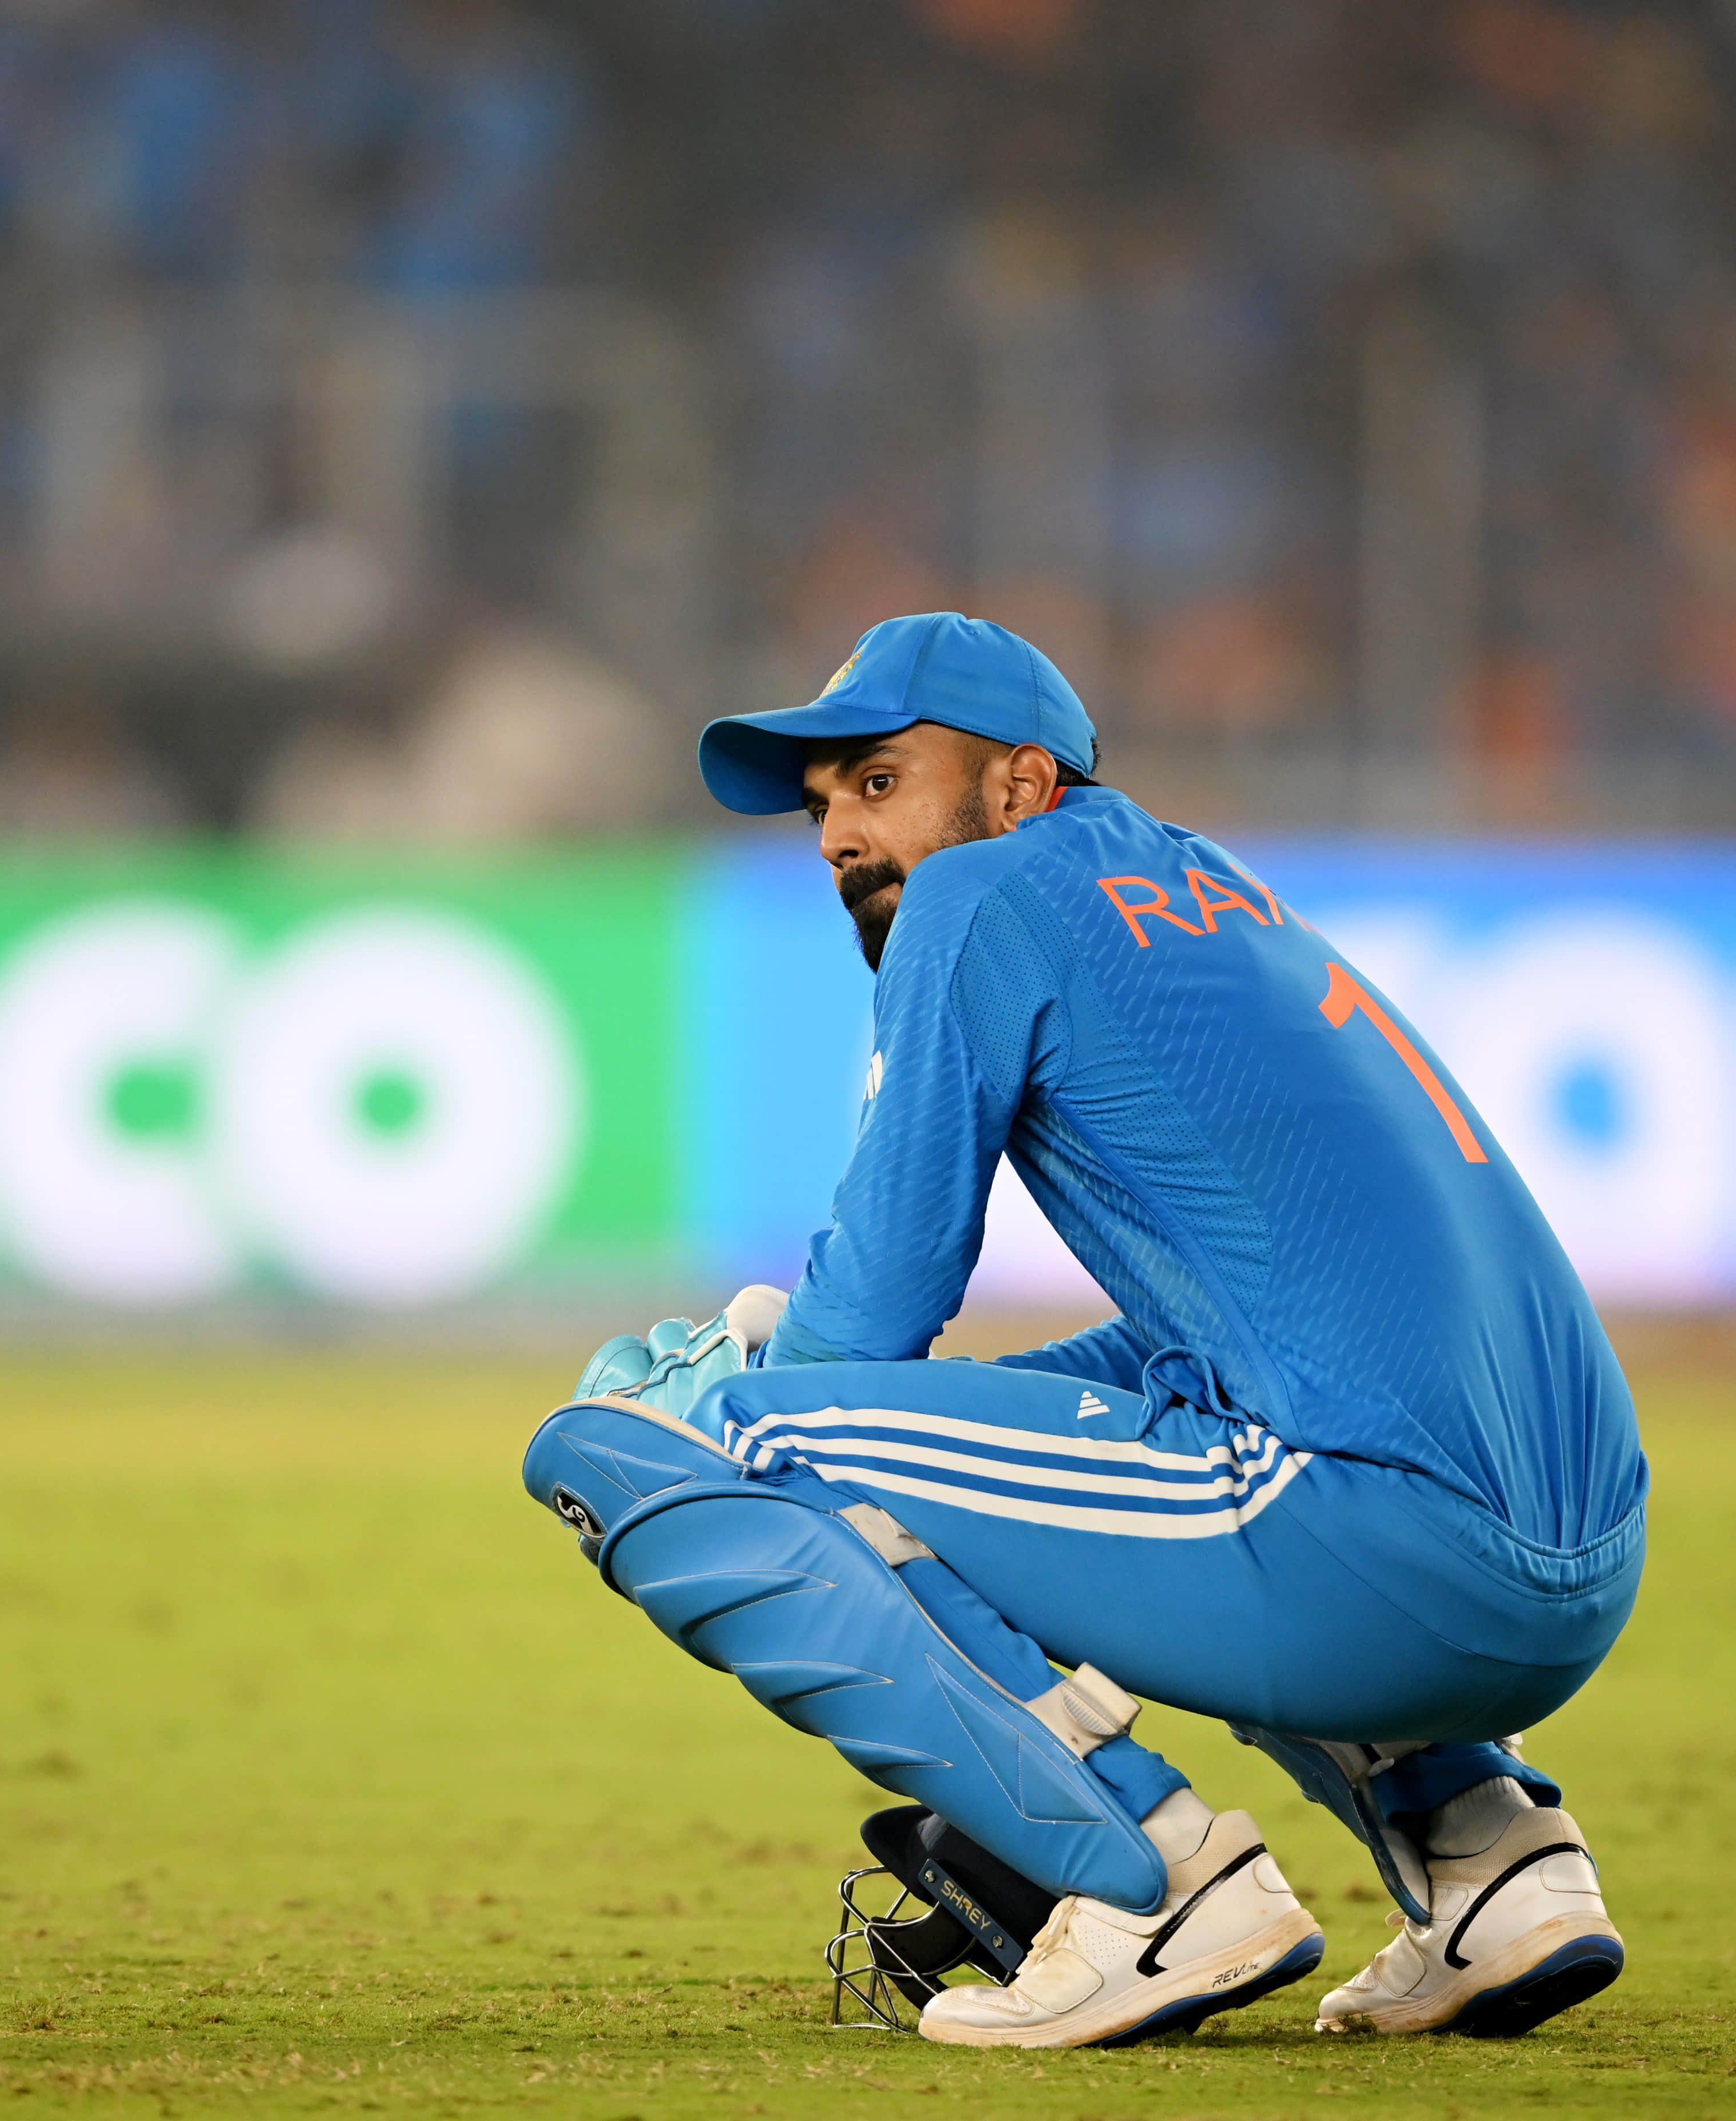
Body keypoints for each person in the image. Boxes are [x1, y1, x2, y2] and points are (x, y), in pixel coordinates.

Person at [522, 612, 1648, 2047]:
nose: (838, 837)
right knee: (1141, 1418)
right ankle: (1487, 1853)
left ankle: (1154, 1888)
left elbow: (869, 1316)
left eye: (879, 783)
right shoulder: (1213, 891)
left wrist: (746, 1399)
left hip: (1392, 1554)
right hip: (1575, 1560)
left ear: (1022, 785)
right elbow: (1235, 1332)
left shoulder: (979, 893)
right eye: (821, 808)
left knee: (712, 1450)